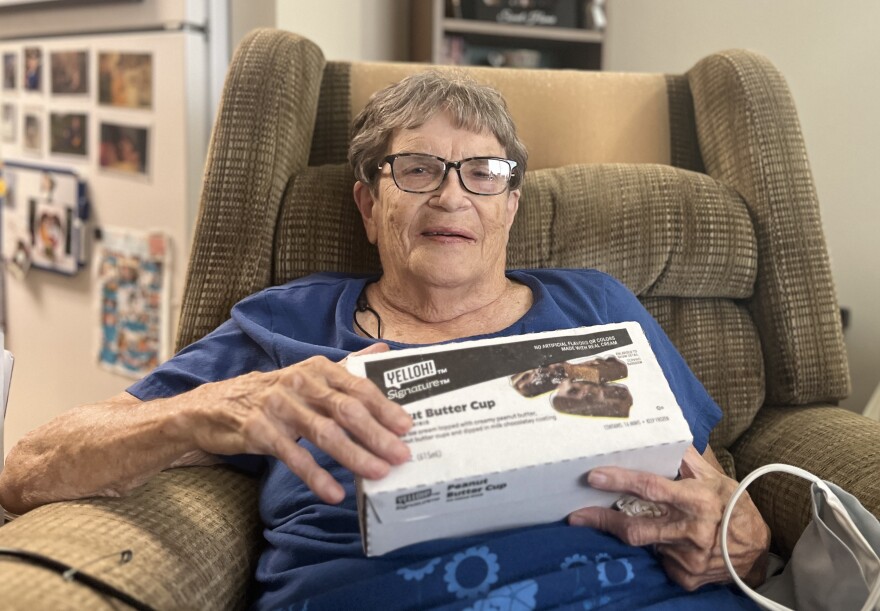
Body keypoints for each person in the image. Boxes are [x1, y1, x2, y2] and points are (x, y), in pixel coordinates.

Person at [0, 71, 769, 610]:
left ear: (510, 205)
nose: (450, 193)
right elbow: (28, 468)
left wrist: (742, 535)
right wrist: (218, 406)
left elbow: (705, 487)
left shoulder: (596, 304)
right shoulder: (288, 326)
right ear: (368, 204)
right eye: (417, 167)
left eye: (482, 172)